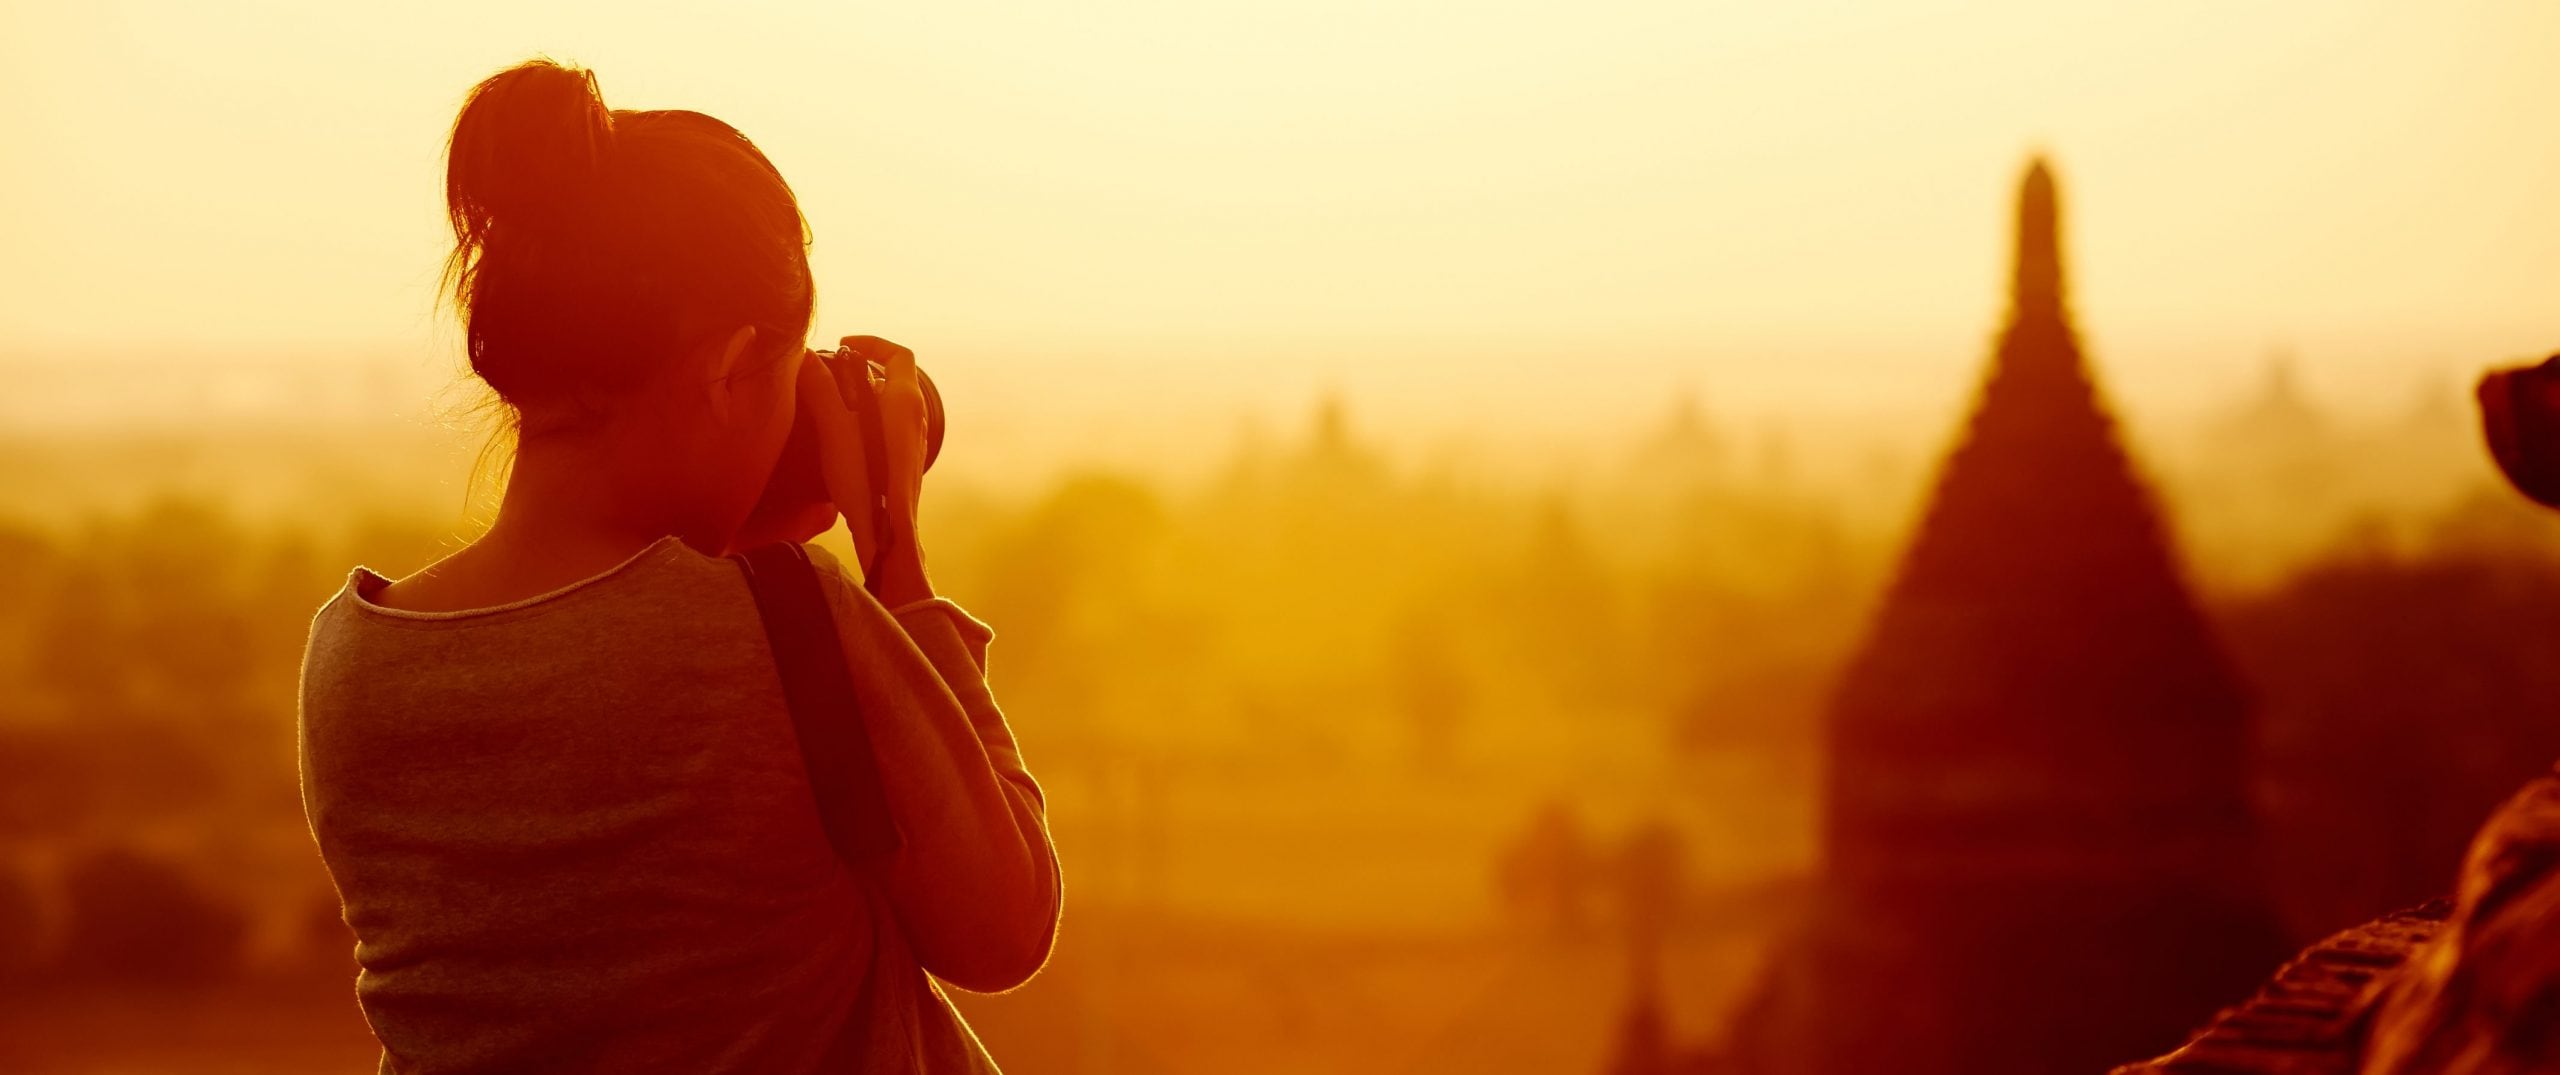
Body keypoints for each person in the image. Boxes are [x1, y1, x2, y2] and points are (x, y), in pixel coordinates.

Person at [295, 58, 1059, 1073]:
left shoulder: (352, 663)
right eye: (789, 377)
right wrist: (895, 559)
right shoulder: (782, 622)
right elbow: (1005, 927)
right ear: (725, 369)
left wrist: (732, 538)